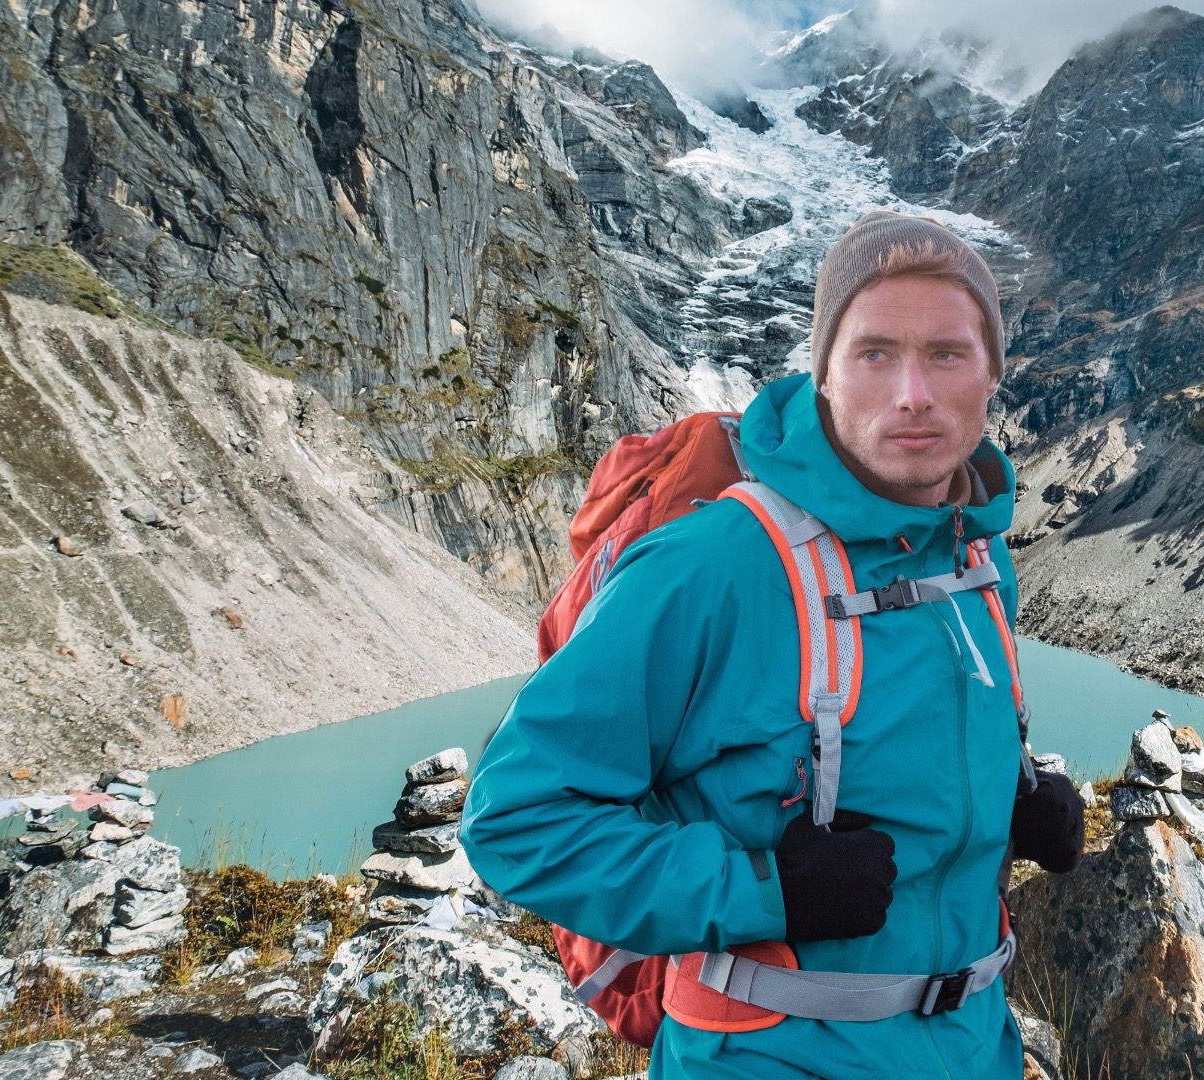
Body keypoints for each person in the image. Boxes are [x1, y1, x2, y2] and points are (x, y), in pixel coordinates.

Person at [462, 210, 1086, 1078]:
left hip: (974, 1042)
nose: (914, 392)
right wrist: (763, 890)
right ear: (823, 375)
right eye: (874, 353)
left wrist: (1012, 802)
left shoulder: (978, 559)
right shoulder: (715, 565)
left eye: (947, 353)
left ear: (992, 377)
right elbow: (517, 819)